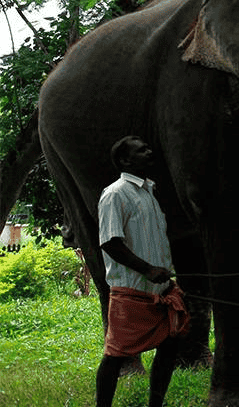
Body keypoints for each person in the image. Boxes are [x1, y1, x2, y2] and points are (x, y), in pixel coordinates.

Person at [96, 135, 189, 407]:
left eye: (148, 147)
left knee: (170, 345)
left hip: (160, 292)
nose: (150, 152)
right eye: (142, 150)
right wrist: (147, 269)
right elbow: (110, 242)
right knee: (115, 355)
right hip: (132, 291)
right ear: (125, 160)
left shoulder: (149, 191)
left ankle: (155, 404)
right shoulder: (115, 194)